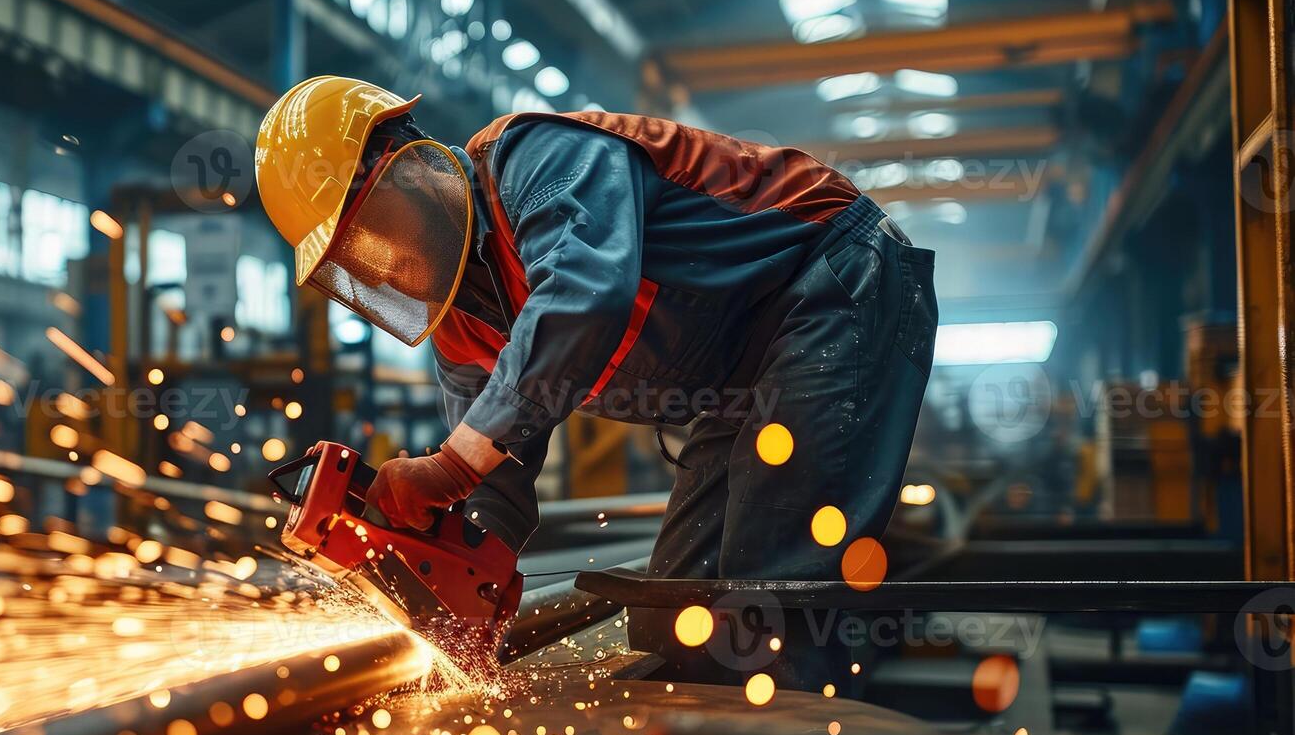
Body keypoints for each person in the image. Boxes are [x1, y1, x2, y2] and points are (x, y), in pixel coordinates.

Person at [254, 76, 937, 691]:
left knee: (767, 594)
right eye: (355, 255)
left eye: (368, 230)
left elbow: (584, 297)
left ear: (405, 163)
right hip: (739, 384)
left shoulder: (534, 160)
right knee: (672, 613)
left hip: (833, 280)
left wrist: (449, 465)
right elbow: (495, 485)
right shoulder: (463, 328)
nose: (380, 263)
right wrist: (447, 570)